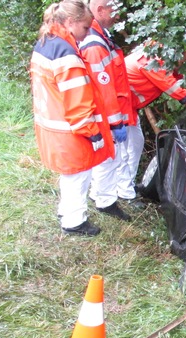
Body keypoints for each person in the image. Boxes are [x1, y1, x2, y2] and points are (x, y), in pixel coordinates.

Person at [30, 0, 114, 237]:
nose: (87, 33)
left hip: (52, 124)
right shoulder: (66, 53)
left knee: (69, 174)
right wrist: (92, 131)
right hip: (70, 129)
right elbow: (77, 100)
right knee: (78, 174)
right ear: (70, 22)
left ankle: (66, 211)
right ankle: (74, 221)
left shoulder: (47, 44)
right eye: (86, 28)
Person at [117, 44, 186, 202]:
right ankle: (123, 192)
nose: (184, 61)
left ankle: (126, 185)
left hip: (126, 106)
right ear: (177, 54)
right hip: (118, 106)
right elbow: (180, 95)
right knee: (123, 150)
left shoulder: (162, 54)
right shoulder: (153, 65)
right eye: (185, 58)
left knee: (135, 143)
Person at [77, 0, 132, 220]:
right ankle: (105, 201)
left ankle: (100, 195)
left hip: (107, 112)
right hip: (105, 114)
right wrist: (116, 122)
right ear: (100, 10)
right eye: (114, 11)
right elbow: (104, 88)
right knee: (109, 158)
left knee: (108, 158)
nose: (117, 16)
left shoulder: (101, 38)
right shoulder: (95, 45)